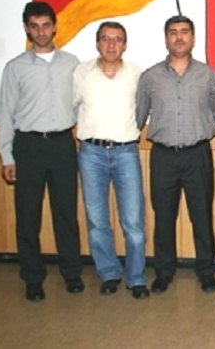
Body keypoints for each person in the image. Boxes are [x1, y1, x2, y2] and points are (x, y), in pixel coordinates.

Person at [0, 1, 84, 301]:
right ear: (27, 29)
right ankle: (33, 279)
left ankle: (72, 273)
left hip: (62, 145)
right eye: (34, 26)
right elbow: (6, 113)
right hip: (28, 146)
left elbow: (78, 103)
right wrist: (7, 156)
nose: (41, 31)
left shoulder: (71, 63)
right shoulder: (15, 68)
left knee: (66, 213)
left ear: (54, 26)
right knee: (28, 216)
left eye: (46, 25)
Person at [136, 15, 215, 293]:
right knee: (164, 217)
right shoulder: (149, 77)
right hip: (163, 156)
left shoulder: (209, 76)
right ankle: (164, 272)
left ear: (193, 38)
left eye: (184, 32)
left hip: (198, 155)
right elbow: (138, 118)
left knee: (202, 216)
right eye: (173, 32)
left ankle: (206, 272)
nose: (179, 37)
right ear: (166, 39)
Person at [73, 22, 149, 300]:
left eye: (117, 39)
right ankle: (108, 273)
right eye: (105, 39)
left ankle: (136, 277)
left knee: (133, 221)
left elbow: (143, 111)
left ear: (125, 45)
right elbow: (69, 107)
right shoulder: (81, 73)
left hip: (126, 152)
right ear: (97, 43)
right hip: (91, 153)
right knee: (97, 220)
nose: (111, 44)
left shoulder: (137, 75)